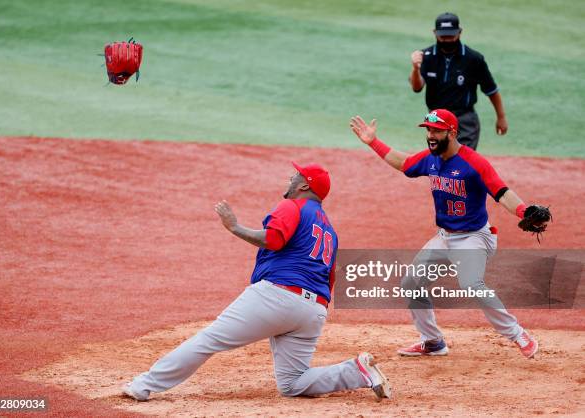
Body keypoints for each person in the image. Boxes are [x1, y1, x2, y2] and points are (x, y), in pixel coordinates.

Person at [122, 162, 392, 401]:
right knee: (292, 383)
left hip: (277, 296)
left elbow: (273, 239)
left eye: (294, 176)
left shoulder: (292, 205)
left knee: (208, 340)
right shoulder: (330, 231)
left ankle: (144, 385)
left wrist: (234, 227)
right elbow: (330, 278)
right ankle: (355, 372)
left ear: (303, 186)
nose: (290, 179)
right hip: (313, 310)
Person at [350, 109, 547, 358]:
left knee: (471, 284)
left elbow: (501, 192)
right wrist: (373, 142)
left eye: (436, 130)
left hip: (475, 237)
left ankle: (518, 334)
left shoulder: (473, 163)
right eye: (428, 130)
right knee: (412, 282)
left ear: (452, 132)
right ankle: (432, 341)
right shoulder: (431, 159)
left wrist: (523, 211)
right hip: (445, 237)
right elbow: (403, 162)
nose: (431, 135)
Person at [409, 12, 508, 150]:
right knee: (439, 163)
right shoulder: (426, 56)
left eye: (451, 36)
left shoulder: (474, 59)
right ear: (435, 33)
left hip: (464, 120)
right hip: (436, 120)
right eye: (443, 36)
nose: (447, 40)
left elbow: (491, 90)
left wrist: (501, 117)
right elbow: (416, 87)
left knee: (462, 163)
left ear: (460, 32)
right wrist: (415, 68)